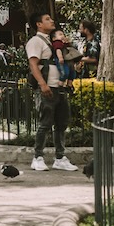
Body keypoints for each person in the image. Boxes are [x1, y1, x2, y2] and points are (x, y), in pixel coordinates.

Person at [26, 12, 79, 172]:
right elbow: (33, 64)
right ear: (39, 24)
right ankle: (38, 157)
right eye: (47, 19)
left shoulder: (55, 40)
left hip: (60, 87)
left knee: (61, 123)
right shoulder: (36, 41)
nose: (52, 21)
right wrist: (42, 84)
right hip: (47, 87)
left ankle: (60, 157)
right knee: (45, 123)